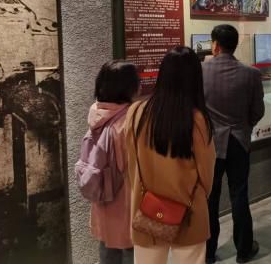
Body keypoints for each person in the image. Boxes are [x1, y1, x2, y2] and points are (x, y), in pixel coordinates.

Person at [124, 47, 215, 264]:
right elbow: (206, 174)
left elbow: (132, 165)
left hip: (146, 208)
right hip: (189, 210)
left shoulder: (136, 112)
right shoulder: (198, 120)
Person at [202, 25, 265, 264]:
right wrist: (244, 126)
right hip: (239, 141)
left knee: (210, 197)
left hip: (210, 143)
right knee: (239, 193)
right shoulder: (251, 74)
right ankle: (243, 249)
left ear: (215, 45)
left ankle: (208, 252)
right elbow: (258, 110)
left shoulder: (200, 71)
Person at [89, 61, 139, 264]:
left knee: (107, 247)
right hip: (126, 198)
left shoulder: (96, 112)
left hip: (102, 193)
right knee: (130, 251)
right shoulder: (130, 120)